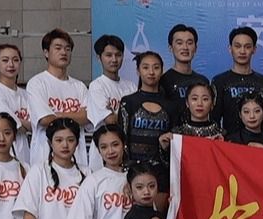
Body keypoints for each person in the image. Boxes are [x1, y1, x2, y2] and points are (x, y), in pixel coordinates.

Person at [117, 51, 173, 208]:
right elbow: (122, 138)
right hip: (133, 172)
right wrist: (126, 172)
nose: (151, 72)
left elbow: (175, 144)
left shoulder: (172, 106)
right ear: (138, 71)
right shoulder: (128, 102)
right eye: (146, 67)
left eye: (156, 67)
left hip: (161, 173)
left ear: (162, 70)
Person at [26, 29, 90, 167]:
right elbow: (45, 119)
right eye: (58, 48)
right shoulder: (37, 83)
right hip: (45, 159)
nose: (63, 52)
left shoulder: (80, 86)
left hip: (77, 160)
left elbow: (87, 117)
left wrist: (57, 115)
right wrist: (75, 116)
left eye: (67, 49)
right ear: (46, 52)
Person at [85, 35, 137, 165]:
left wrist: (115, 113)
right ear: (99, 57)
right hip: (103, 151)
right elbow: (110, 121)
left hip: (127, 148)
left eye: (118, 55)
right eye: (108, 55)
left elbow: (137, 120)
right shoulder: (97, 86)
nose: (114, 59)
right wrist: (126, 115)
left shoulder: (131, 86)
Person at [212, 26, 263, 135]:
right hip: (228, 142)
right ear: (230, 49)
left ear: (254, 49)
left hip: (256, 142)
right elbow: (214, 118)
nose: (242, 51)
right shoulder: (219, 81)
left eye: (247, 47)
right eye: (237, 46)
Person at [157, 24, 212, 125]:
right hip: (173, 133)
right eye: (179, 43)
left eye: (189, 43)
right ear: (170, 48)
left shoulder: (202, 81)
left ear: (195, 48)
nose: (185, 47)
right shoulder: (163, 80)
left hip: (199, 133)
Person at [0, 44, 32, 163]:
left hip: (25, 153)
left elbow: (36, 125)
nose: (11, 64)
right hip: (6, 154)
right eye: (5, 60)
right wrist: (25, 124)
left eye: (15, 60)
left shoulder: (25, 94)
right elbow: (9, 124)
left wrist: (22, 123)